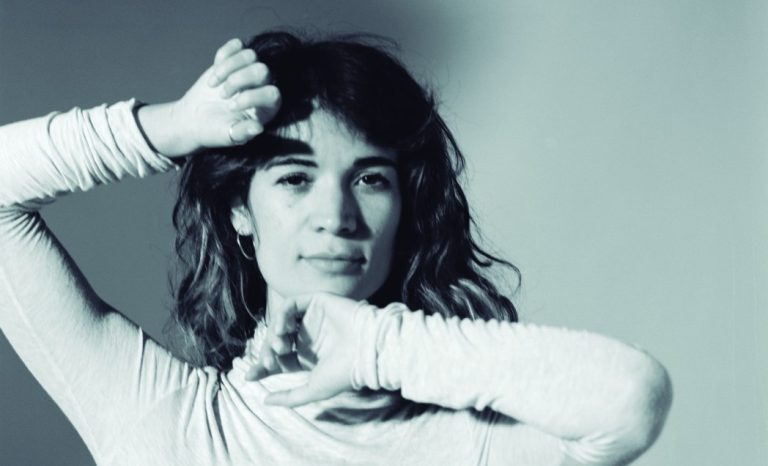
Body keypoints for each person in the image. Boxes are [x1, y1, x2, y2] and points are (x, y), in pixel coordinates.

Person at [0, 32, 672, 465]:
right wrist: (174, 127)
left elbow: (631, 401)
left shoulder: (474, 446)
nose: (337, 217)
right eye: (295, 179)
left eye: (371, 179)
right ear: (240, 209)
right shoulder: (170, 422)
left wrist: (378, 347)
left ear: (405, 210)